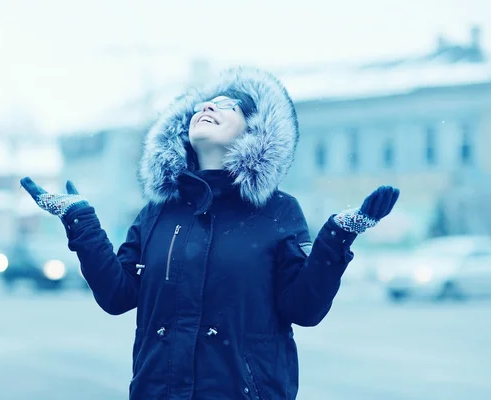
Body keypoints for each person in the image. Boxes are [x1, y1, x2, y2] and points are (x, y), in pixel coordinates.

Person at [20, 66, 400, 400]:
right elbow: (118, 295)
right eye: (203, 105)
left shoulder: (277, 211)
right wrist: (81, 219)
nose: (207, 108)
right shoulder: (158, 211)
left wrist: (338, 236)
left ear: (256, 131)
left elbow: (304, 308)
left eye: (227, 105)